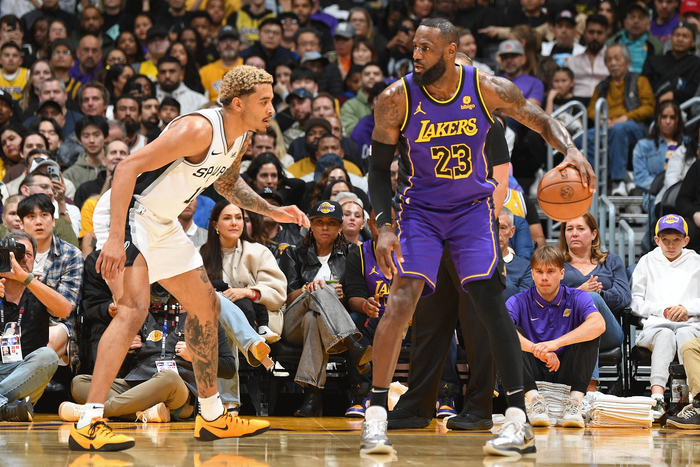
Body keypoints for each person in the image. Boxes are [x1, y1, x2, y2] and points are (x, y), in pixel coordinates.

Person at [362, 18, 595, 457]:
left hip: (472, 210)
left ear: (451, 51)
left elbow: (541, 119)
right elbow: (377, 170)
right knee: (403, 296)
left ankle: (517, 420)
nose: (416, 55)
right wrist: (384, 225)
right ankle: (375, 415)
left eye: (426, 48)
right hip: (420, 212)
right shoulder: (396, 98)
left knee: (489, 302)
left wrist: (571, 149)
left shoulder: (487, 89)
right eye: (415, 47)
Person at [75, 65, 307, 451]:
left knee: (206, 306)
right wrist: (115, 238)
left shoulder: (240, 137)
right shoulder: (198, 128)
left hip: (162, 221)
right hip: (130, 213)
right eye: (264, 101)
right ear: (238, 103)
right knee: (133, 310)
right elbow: (126, 167)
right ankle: (89, 420)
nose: (271, 109)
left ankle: (212, 416)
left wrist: (272, 210)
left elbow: (227, 183)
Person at [279, 200, 372, 417]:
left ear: (340, 227)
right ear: (310, 225)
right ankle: (352, 343)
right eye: (319, 222)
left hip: (323, 325)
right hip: (293, 323)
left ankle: (313, 397)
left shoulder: (351, 253)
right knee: (319, 291)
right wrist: (308, 289)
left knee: (314, 319)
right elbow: (288, 298)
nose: (325, 227)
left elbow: (356, 294)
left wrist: (343, 296)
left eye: (331, 223)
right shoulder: (293, 253)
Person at [508, 246, 606, 428]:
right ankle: (535, 401)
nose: (544, 277)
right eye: (539, 271)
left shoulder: (577, 297)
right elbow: (501, 331)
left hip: (566, 368)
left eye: (550, 271)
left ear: (562, 273)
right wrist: (538, 350)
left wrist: (555, 344)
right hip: (532, 368)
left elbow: (599, 324)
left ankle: (574, 403)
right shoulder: (519, 300)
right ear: (532, 274)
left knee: (589, 333)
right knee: (509, 333)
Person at [631, 214, 700, 420]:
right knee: (665, 335)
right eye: (665, 240)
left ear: (686, 240)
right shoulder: (646, 261)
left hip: (690, 324)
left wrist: (686, 308)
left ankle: (694, 400)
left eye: (676, 240)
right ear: (657, 240)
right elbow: (635, 301)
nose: (670, 245)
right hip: (655, 326)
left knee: (685, 335)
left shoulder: (696, 261)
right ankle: (657, 399)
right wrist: (662, 310)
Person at [0, 231, 72, 422]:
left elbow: (65, 310)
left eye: (28, 254)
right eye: (16, 253)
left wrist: (25, 278)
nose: (23, 258)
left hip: (25, 375)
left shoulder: (39, 290)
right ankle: (5, 408)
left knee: (48, 356)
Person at [200, 200, 287, 342]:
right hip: (214, 321)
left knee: (244, 307)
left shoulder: (259, 252)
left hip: (257, 321)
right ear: (215, 224)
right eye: (227, 218)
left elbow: (277, 294)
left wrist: (248, 293)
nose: (234, 223)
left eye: (239, 218)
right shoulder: (201, 254)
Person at [558, 213, 627, 390]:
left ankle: (587, 388)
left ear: (594, 234)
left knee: (592, 301)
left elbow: (624, 297)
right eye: (569, 229)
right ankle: (589, 390)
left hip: (608, 332)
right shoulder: (556, 263)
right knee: (587, 325)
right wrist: (579, 292)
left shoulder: (611, 261)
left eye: (581, 228)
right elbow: (544, 297)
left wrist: (599, 295)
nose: (574, 233)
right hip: (563, 329)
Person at [586, 44, 655, 196]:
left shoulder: (640, 80)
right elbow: (591, 109)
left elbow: (649, 107)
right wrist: (602, 120)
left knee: (618, 130)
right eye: (609, 60)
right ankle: (609, 176)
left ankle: (617, 181)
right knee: (581, 139)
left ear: (628, 62)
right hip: (607, 125)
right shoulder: (602, 86)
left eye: (617, 59)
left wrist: (626, 117)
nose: (613, 63)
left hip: (634, 125)